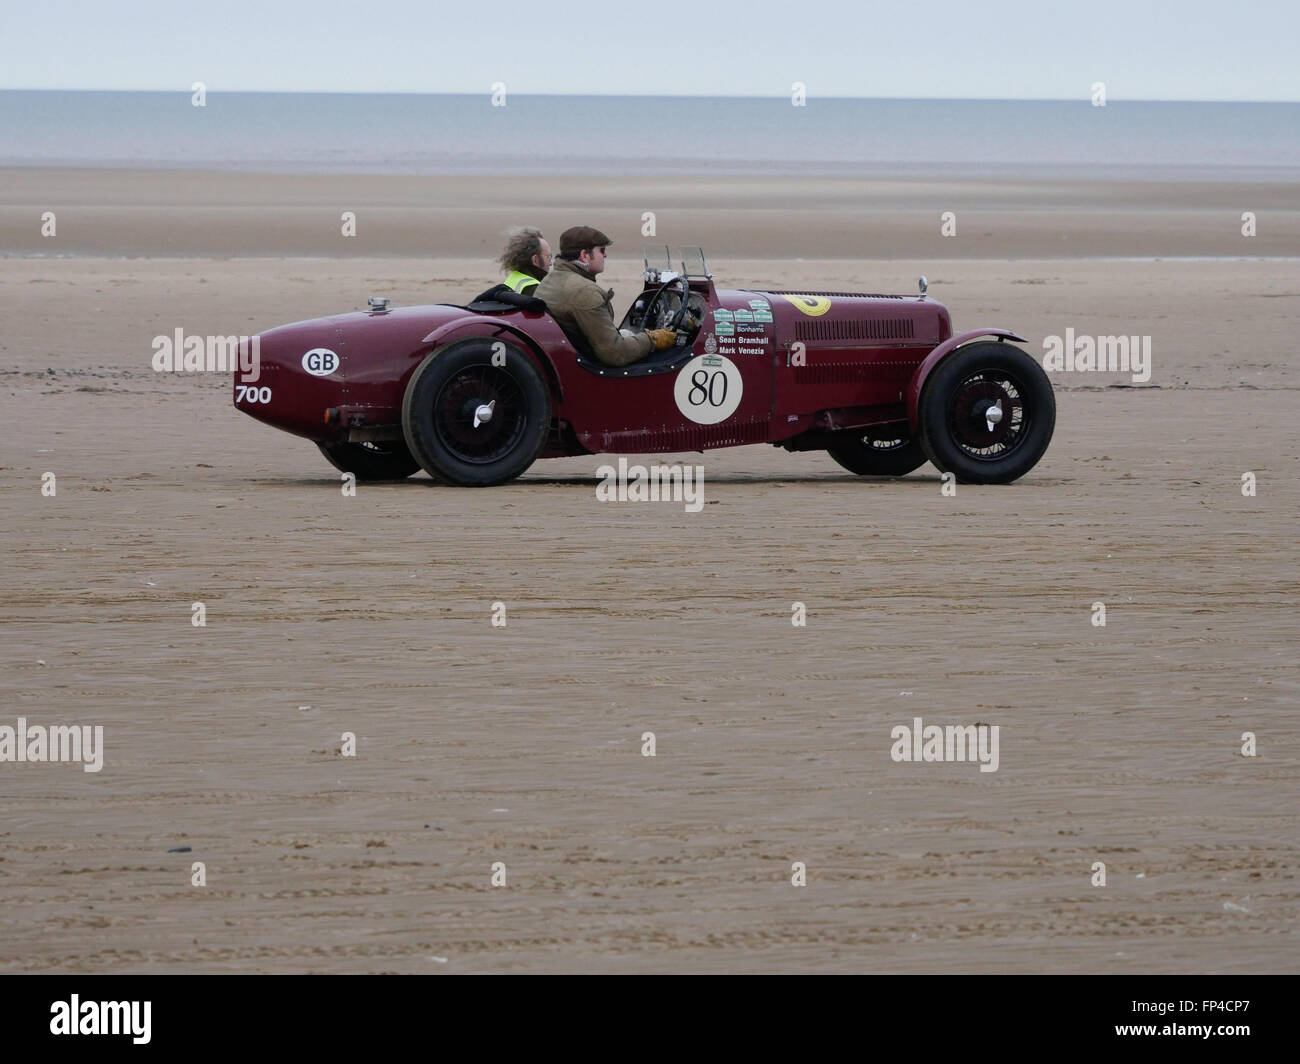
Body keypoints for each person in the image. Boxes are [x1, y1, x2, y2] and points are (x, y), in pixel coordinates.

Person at [535, 226, 677, 367]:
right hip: (588, 367)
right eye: (601, 251)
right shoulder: (585, 292)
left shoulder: (551, 279)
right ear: (584, 256)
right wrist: (654, 339)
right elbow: (615, 353)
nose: (605, 255)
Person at [496, 226, 552, 297]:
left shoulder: (514, 277)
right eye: (548, 257)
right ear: (535, 260)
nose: (550, 263)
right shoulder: (535, 290)